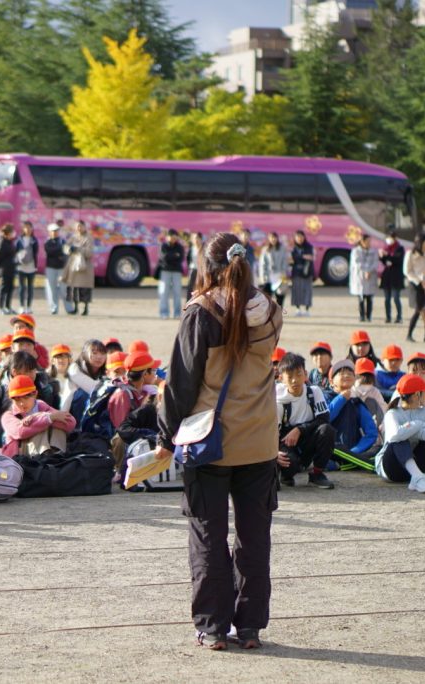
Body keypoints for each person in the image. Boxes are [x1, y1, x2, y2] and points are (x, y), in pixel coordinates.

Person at [157, 232, 282, 650]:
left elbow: (181, 383)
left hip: (211, 440)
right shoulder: (269, 311)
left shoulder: (202, 312)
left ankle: (213, 626)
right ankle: (249, 627)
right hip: (260, 440)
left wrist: (165, 436)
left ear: (208, 266)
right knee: (254, 536)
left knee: (207, 533)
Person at [275, 353, 335, 489]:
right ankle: (283, 475)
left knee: (327, 430)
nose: (295, 380)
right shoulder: (277, 400)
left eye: (298, 374)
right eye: (290, 376)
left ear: (305, 374)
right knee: (288, 462)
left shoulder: (314, 392)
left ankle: (317, 474)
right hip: (285, 442)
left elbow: (324, 419)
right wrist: (274, 454)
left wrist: (300, 429)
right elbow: (271, 433)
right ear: (281, 378)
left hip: (306, 441)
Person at [0, 375, 76, 457]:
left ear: (35, 394)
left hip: (49, 452)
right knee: (40, 427)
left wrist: (39, 416)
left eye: (26, 398)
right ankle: (44, 459)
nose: (21, 403)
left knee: (57, 428)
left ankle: (56, 457)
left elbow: (70, 423)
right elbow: (20, 432)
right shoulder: (8, 416)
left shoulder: (43, 407)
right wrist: (48, 418)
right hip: (19, 456)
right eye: (17, 400)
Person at [327, 361, 380, 464]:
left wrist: (353, 452)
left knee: (378, 449)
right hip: (332, 449)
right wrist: (341, 398)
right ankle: (349, 462)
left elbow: (371, 433)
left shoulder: (356, 402)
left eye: (350, 373)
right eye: (341, 373)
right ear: (331, 382)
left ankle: (346, 461)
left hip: (352, 450)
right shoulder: (324, 396)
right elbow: (326, 418)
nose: (346, 375)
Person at [404, 234, 425, 343]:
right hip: (416, 284)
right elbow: (407, 271)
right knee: (418, 309)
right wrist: (420, 282)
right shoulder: (410, 253)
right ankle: (409, 334)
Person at [62, 220, 94, 316]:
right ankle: (75, 308)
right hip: (73, 265)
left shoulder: (88, 238)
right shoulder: (73, 237)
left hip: (84, 266)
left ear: (84, 227)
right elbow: (65, 247)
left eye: (81, 226)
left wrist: (78, 249)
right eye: (77, 226)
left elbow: (89, 252)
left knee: (84, 288)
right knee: (74, 287)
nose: (79, 228)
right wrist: (69, 249)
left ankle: (86, 308)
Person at [349, 234, 378, 322]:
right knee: (361, 297)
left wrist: (369, 271)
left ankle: (369, 316)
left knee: (369, 298)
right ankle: (362, 316)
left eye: (370, 241)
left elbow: (375, 263)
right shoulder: (356, 251)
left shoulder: (374, 251)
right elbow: (357, 263)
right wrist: (365, 271)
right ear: (362, 241)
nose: (369, 243)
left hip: (371, 276)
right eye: (367, 241)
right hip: (360, 277)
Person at [379, 229, 405, 324]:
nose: (389, 240)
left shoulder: (400, 248)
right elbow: (384, 261)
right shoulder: (385, 248)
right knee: (387, 298)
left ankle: (399, 316)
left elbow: (398, 260)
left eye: (391, 238)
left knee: (396, 297)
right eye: (388, 237)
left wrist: (388, 256)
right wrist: (382, 256)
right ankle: (388, 317)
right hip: (387, 276)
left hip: (396, 276)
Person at [158, 229, 185, 320]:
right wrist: (174, 255)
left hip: (177, 271)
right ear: (167, 237)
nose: (173, 238)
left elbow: (180, 258)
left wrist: (170, 256)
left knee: (177, 293)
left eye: (174, 236)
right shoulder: (163, 246)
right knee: (163, 293)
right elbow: (164, 258)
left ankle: (177, 313)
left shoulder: (180, 247)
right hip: (165, 271)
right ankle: (164, 313)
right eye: (171, 236)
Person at [0, 223, 18, 315]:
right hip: (5, 268)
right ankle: (0, 307)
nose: (13, 233)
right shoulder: (2, 241)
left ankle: (8, 307)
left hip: (11, 267)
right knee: (4, 288)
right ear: (8, 232)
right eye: (12, 232)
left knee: (10, 287)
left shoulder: (10, 242)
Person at [288, 230, 314, 317]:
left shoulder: (309, 246)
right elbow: (291, 260)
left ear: (304, 237)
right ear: (295, 238)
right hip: (296, 272)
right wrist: (302, 257)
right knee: (297, 291)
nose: (299, 239)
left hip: (307, 272)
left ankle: (307, 310)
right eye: (297, 237)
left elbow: (310, 257)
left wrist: (299, 256)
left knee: (307, 291)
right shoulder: (293, 247)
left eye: (301, 237)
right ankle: (298, 309)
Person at [259, 232, 288, 309]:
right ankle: (268, 312)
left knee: (280, 294)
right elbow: (262, 264)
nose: (273, 239)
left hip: (280, 275)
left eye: (274, 237)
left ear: (277, 238)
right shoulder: (265, 249)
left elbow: (285, 261)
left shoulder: (282, 249)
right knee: (267, 295)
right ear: (269, 239)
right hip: (268, 275)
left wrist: (283, 273)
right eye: (271, 237)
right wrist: (263, 276)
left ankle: (279, 310)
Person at [15, 221, 39, 314]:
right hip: (21, 267)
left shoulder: (34, 240)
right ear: (23, 229)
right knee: (22, 287)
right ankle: (22, 306)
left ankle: (29, 306)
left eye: (29, 227)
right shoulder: (19, 239)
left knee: (30, 287)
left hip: (31, 267)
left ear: (32, 229)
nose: (28, 229)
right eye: (26, 227)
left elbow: (36, 252)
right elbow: (16, 251)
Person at [43, 221, 66, 314]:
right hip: (51, 267)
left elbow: (65, 252)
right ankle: (53, 307)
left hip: (62, 267)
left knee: (64, 288)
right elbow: (49, 251)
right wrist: (60, 249)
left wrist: (59, 251)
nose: (55, 233)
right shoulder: (47, 242)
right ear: (49, 232)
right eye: (53, 231)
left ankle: (69, 308)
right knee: (51, 288)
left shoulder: (62, 241)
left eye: (56, 231)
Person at [48, 344, 77, 412]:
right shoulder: (45, 379)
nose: (61, 360)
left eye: (65, 357)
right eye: (58, 357)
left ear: (70, 360)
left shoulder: (75, 378)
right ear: (52, 361)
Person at [187, 232, 204, 302]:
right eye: (194, 238)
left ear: (201, 239)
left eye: (197, 238)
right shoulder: (191, 249)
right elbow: (188, 259)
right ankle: (189, 303)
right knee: (191, 288)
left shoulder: (205, 248)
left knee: (202, 287)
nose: (196, 240)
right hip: (193, 270)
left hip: (202, 271)